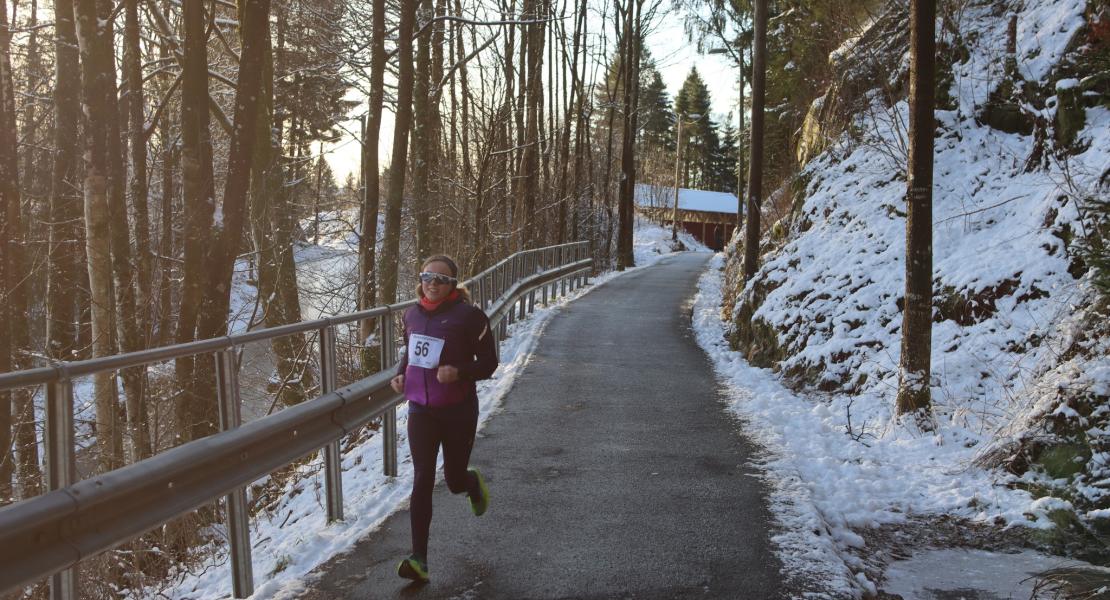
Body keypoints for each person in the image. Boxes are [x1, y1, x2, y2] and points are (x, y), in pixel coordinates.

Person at [390, 254, 497, 583]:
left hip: (458, 410)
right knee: (422, 477)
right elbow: (411, 353)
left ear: (453, 284)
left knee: (451, 480)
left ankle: (470, 483)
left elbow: (490, 363)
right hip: (421, 411)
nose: (432, 283)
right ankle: (418, 558)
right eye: (427, 277)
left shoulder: (470, 317)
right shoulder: (410, 315)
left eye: (441, 279)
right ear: (420, 280)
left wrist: (460, 372)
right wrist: (399, 375)